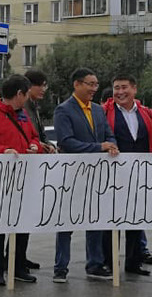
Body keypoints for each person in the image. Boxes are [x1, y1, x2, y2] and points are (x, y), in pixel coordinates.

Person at [51, 69, 119, 282]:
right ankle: (60, 268)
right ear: (77, 85)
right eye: (90, 84)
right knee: (66, 223)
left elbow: (109, 134)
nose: (93, 89)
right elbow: (66, 142)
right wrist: (99, 146)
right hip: (71, 175)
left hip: (97, 176)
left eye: (96, 84)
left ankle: (95, 265)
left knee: (96, 220)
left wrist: (111, 145)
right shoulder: (63, 110)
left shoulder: (98, 110)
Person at [0, 74, 41, 286]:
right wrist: (4, 150)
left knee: (23, 224)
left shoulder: (23, 115)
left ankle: (18, 265)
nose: (28, 99)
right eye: (26, 94)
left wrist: (34, 147)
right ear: (19, 94)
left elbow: (34, 137)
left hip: (24, 178)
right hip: (1, 180)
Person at [102, 74, 152, 277]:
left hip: (140, 176)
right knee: (111, 221)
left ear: (134, 89)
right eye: (116, 88)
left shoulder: (147, 113)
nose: (120, 92)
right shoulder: (103, 112)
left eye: (124, 87)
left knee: (136, 220)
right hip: (112, 176)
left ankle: (134, 263)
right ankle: (109, 262)